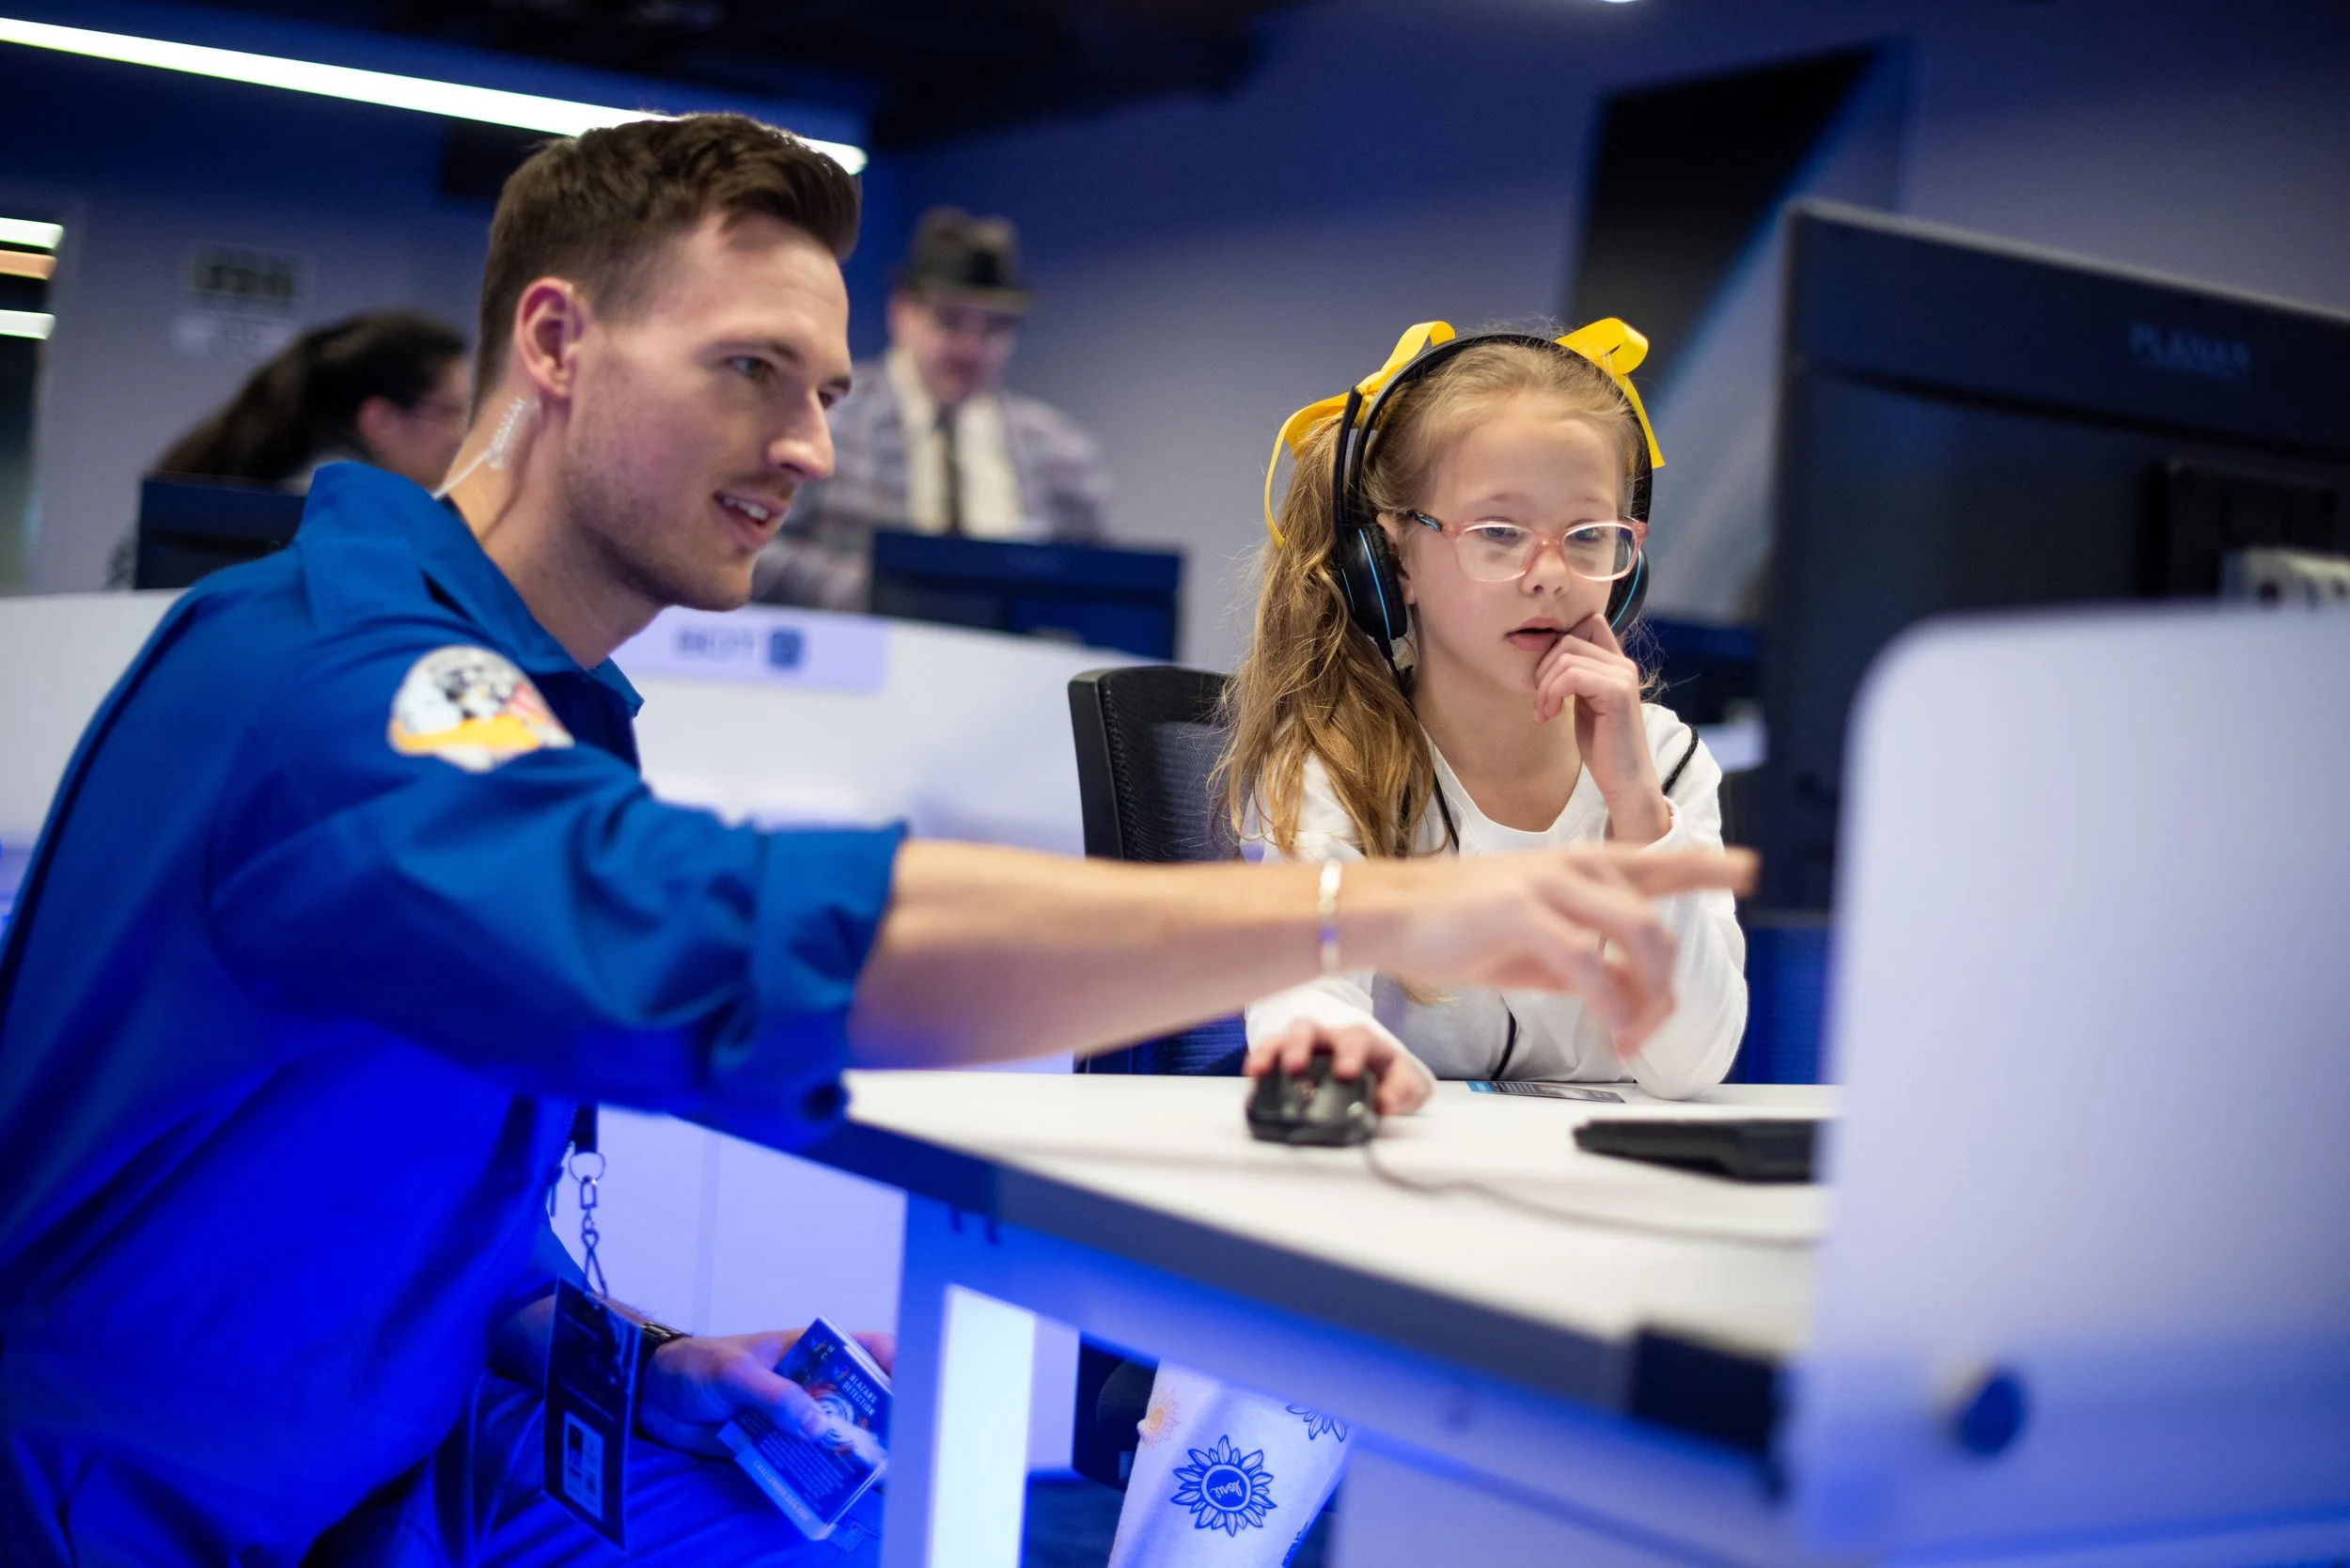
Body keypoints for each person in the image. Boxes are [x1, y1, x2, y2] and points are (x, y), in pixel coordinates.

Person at [0, 118, 1750, 1567]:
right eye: (749, 371)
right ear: (554, 343)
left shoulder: (539, 695)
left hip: (411, 1444)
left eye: (828, 388)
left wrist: (647, 1361)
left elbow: (400, 1179)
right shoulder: (349, 687)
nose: (810, 448)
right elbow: (720, 944)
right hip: (148, 1506)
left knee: (899, 1511)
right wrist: (1371, 907)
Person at [1105, 320, 1747, 1568]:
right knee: (1304, 1310)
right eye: (1500, 533)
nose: (1550, 576)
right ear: (1388, 550)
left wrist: (1635, 812)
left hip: (1588, 1217)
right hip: (1393, 1205)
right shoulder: (1335, 758)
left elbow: (1688, 1064)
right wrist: (1340, 1059)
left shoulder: (1664, 763)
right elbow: (1307, 1003)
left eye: (1590, 536)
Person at [750, 205, 1111, 609]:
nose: (972, 348)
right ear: (901, 311)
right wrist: (887, 593)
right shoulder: (829, 416)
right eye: (951, 321)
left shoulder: (1062, 452)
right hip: (857, 642)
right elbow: (753, 547)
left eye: (995, 327)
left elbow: (1099, 587)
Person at [109, 310, 472, 585]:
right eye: (452, 411)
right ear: (379, 421)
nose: (462, 435)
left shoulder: (265, 495)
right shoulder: (361, 525)